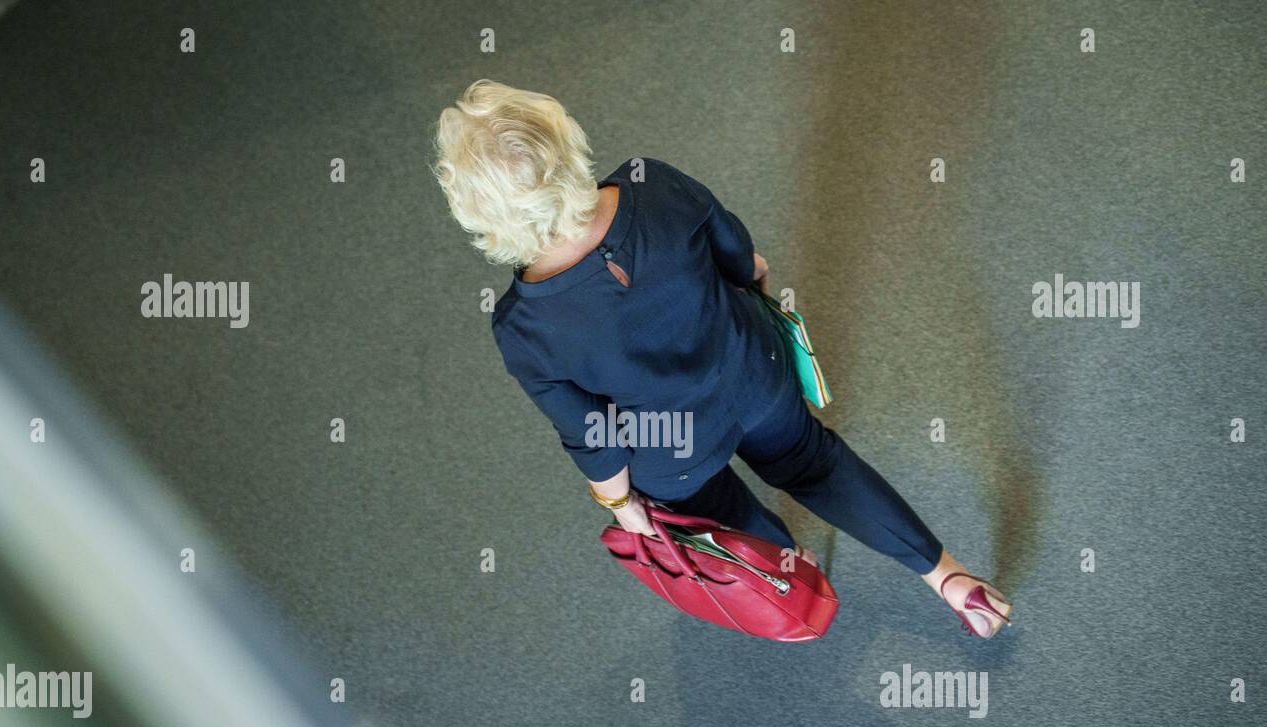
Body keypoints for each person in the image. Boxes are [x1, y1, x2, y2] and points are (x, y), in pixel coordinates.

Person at [432, 79, 1012, 638]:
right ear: (562, 142)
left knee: (713, 506)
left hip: (673, 446)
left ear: (482, 213)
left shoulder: (521, 326)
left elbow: (594, 436)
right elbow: (741, 257)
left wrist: (620, 504)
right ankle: (949, 578)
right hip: (755, 369)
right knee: (815, 462)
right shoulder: (650, 183)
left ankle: (791, 568)